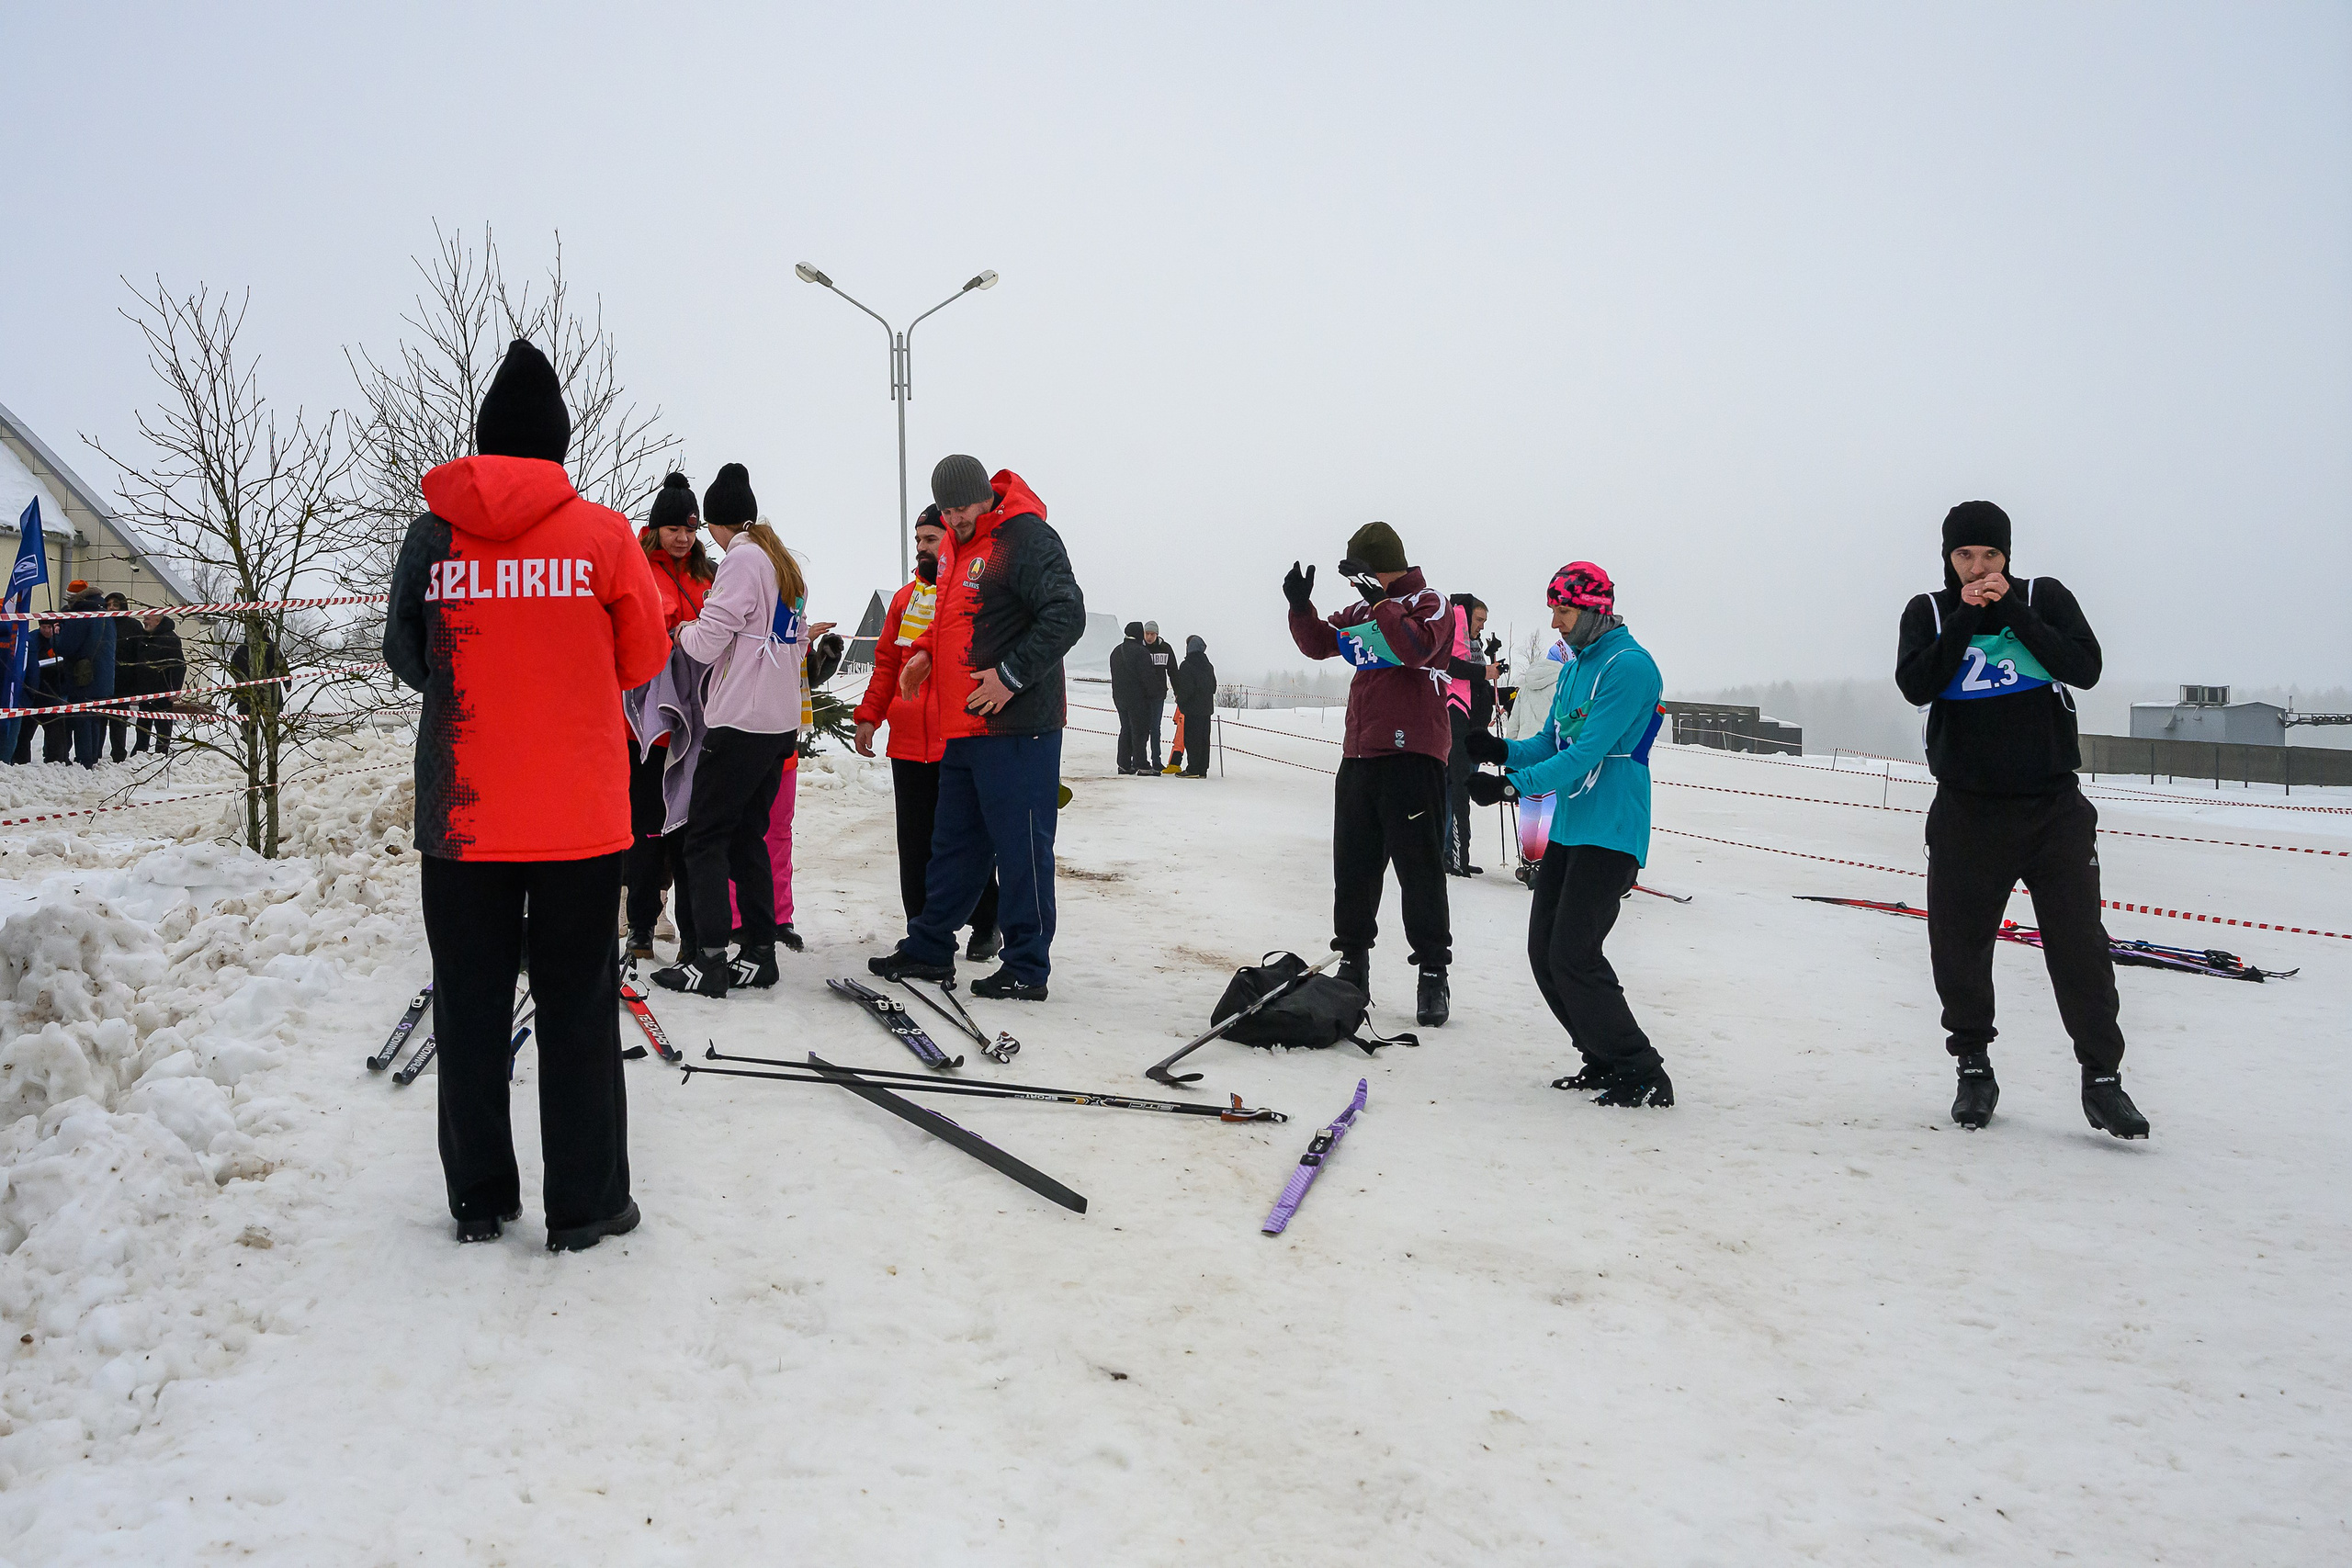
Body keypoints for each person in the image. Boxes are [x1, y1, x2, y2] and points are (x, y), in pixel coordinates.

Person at [383, 336, 669, 1250]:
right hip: (579, 820)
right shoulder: (602, 535)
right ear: (557, 443)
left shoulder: (433, 536)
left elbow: (404, 654)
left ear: (483, 441)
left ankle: (478, 1199)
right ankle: (585, 1208)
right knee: (577, 1004)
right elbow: (644, 657)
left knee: (466, 1005)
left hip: (461, 815)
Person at [1894, 501, 2145, 1139]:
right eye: (1965, 557)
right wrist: (1966, 616)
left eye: (1990, 556)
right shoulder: (1926, 611)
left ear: (2008, 555)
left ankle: (2102, 1079)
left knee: (2079, 944)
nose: (1978, 568)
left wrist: (2012, 612)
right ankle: (1974, 1068)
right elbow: (1918, 684)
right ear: (1947, 559)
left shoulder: (2043, 597)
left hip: (2052, 809)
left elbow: (2083, 668)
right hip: (1967, 812)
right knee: (1959, 945)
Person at [868, 456, 1085, 999]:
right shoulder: (960, 547)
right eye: (945, 509)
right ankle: (930, 946)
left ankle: (1027, 966)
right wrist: (922, 653)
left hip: (1018, 728)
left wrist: (1011, 676)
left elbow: (1067, 613)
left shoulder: (1026, 538)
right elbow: (955, 616)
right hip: (963, 727)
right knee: (953, 844)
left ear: (984, 495)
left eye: (961, 506)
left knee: (1020, 847)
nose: (954, 517)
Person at [1465, 562, 1672, 1106]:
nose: (1556, 622)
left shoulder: (1630, 667)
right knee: (1545, 951)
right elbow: (1552, 742)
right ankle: (1601, 1057)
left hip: (1612, 827)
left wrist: (1514, 788)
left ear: (1595, 609)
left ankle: (1641, 1068)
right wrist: (1499, 752)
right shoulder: (1577, 667)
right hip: (1572, 826)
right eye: (1554, 611)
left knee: (1575, 952)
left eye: (1564, 611)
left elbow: (1586, 753)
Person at [652, 464, 827, 998]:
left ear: (717, 523)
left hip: (740, 723)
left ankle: (708, 961)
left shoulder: (741, 560)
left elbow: (707, 643)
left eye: (706, 527)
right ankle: (759, 950)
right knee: (748, 834)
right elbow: (784, 641)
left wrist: (681, 629)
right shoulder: (782, 560)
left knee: (704, 839)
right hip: (777, 726)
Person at [1283, 521, 1454, 1027]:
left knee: (1419, 869)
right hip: (1361, 755)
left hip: (1414, 756)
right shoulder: (1362, 607)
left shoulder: (1430, 601)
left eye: (1357, 568)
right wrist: (1300, 607)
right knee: (1354, 867)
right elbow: (1319, 644)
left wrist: (1382, 599)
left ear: (1379, 565)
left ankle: (1432, 973)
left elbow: (1414, 648)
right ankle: (1352, 964)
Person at [854, 507, 1001, 956]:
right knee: (915, 845)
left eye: (931, 539)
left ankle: (985, 924)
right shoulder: (903, 601)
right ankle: (921, 931)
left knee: (962, 843)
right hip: (908, 745)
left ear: (951, 541)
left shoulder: (969, 598)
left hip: (957, 739)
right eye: (918, 539)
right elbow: (885, 664)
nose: (922, 548)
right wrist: (869, 716)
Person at [623, 472, 713, 959]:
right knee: (647, 831)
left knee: (687, 833)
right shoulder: (637, 568)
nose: (684, 538)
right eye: (675, 529)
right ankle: (639, 924)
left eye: (691, 530)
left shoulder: (706, 575)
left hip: (696, 728)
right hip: (646, 729)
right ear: (656, 528)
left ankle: (691, 934)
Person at [1442, 593, 1499, 875]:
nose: (1482, 626)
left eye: (1485, 622)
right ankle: (1452, 855)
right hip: (1455, 720)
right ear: (1467, 617)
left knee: (1459, 789)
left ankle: (1457, 854)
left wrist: (1502, 688)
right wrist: (1485, 671)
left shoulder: (1471, 643)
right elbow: (1451, 666)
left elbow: (1477, 680)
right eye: (1479, 620)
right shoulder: (1453, 634)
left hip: (1471, 725)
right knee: (1456, 790)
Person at [48, 583, 116, 769]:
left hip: (83, 677)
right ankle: (93, 758)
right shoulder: (105, 614)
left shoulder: (80, 616)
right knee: (95, 720)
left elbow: (66, 647)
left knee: (82, 720)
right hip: (104, 677)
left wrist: (55, 636)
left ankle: (84, 762)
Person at [131, 612, 184, 755]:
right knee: (142, 724)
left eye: (147, 618)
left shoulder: (170, 639)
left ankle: (162, 752)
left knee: (163, 726)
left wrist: (175, 689)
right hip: (145, 690)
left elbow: (179, 666)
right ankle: (140, 750)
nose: (144, 621)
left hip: (163, 690)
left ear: (157, 620)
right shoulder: (144, 637)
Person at [1108, 621, 1152, 775]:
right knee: (1139, 730)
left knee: (1125, 729)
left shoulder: (1116, 651)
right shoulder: (1141, 652)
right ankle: (1141, 764)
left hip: (1119, 697)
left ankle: (1124, 764)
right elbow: (1147, 678)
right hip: (1137, 698)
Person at [1170, 634, 1216, 777]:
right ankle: (1203, 770)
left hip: (1192, 710)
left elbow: (1186, 689)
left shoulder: (1187, 665)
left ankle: (1193, 769)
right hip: (1206, 710)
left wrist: (1180, 700)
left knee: (1192, 740)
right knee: (1204, 740)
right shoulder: (1208, 666)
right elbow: (1213, 687)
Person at [105, 594, 143, 762]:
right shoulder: (102, 623)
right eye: (108, 605)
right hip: (103, 679)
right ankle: (94, 753)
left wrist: (135, 682)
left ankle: (119, 754)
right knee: (99, 719)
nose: (112, 608)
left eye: (115, 604)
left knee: (119, 720)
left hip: (123, 680)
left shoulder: (133, 626)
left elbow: (139, 655)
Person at [1140, 621, 1178, 772]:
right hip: (1141, 696)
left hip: (1158, 695)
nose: (1149, 637)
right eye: (1147, 634)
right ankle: (1139, 759)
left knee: (1155, 728)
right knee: (1141, 728)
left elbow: (1173, 671)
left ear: (1157, 634)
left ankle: (1156, 760)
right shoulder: (1139, 648)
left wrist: (1177, 691)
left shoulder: (1165, 648)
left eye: (1152, 634)